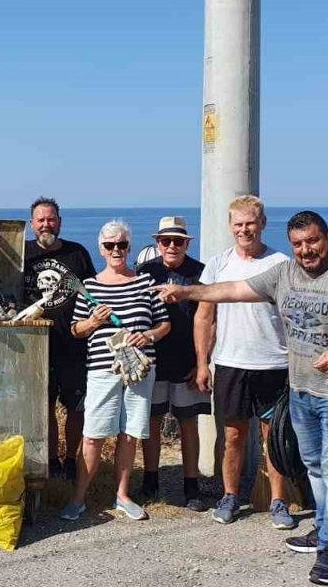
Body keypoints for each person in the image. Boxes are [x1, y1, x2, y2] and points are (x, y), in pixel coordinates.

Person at [153, 210, 328, 586]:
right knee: (314, 463)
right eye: (298, 244)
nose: (306, 250)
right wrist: (187, 291)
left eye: (313, 241)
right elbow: (234, 290)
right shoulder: (285, 274)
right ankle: (324, 528)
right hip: (302, 387)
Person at [192, 195, 294, 528]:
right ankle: (230, 496)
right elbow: (203, 317)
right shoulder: (218, 264)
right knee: (233, 435)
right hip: (231, 364)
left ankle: (279, 501)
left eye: (250, 223)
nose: (244, 230)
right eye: (238, 224)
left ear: (262, 224)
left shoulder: (280, 263)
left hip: (273, 364)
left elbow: (294, 316)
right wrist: (203, 362)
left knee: (274, 437)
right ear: (230, 226)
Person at [60, 220, 170, 522]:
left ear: (129, 247)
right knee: (93, 435)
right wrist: (94, 322)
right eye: (110, 245)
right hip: (102, 370)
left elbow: (164, 323)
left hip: (140, 369)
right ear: (101, 249)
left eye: (121, 244)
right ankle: (79, 497)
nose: (116, 250)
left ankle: (122, 495)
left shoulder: (145, 283)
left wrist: (148, 336)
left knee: (130, 434)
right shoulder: (90, 286)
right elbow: (76, 330)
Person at [134, 216, 211, 510]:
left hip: (187, 360)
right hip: (152, 361)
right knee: (151, 421)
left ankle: (191, 486)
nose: (171, 246)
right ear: (157, 243)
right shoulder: (144, 272)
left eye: (178, 241)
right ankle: (150, 482)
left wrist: (202, 361)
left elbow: (210, 321)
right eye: (166, 241)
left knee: (188, 422)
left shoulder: (200, 273)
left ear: (187, 243)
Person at [21, 197, 96, 480]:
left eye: (51, 219)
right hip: (35, 346)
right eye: (40, 220)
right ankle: (51, 460)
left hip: (73, 345)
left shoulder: (77, 253)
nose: (46, 224)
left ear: (60, 222)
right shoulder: (23, 254)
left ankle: (72, 460)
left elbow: (92, 293)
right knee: (44, 407)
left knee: (76, 408)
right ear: (32, 224)